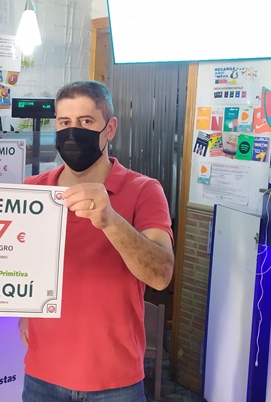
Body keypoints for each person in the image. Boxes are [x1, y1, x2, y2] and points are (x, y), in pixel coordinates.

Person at [19, 80, 175, 401]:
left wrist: (111, 221)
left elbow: (161, 275)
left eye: (86, 121)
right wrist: (24, 308)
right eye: (64, 122)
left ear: (110, 128)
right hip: (42, 375)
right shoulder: (33, 190)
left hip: (115, 381)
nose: (72, 132)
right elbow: (21, 261)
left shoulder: (144, 190)